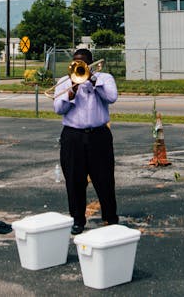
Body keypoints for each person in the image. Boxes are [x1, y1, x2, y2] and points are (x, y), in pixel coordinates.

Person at [52, 48, 119, 235]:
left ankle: (111, 218)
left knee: (104, 178)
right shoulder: (65, 82)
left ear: (89, 63)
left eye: (81, 63)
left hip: (99, 135)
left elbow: (112, 97)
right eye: (75, 63)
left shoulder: (105, 78)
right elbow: (58, 108)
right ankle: (77, 220)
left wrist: (93, 81)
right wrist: (70, 94)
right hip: (73, 136)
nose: (77, 66)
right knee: (74, 180)